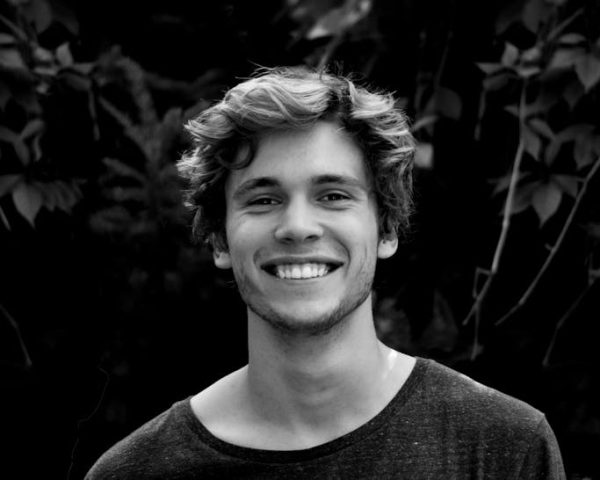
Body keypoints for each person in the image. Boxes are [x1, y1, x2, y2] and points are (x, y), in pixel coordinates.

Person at [85, 66, 566, 479]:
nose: (297, 227)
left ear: (387, 228)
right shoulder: (134, 471)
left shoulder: (504, 448)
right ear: (219, 238)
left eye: (333, 195)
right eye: (263, 199)